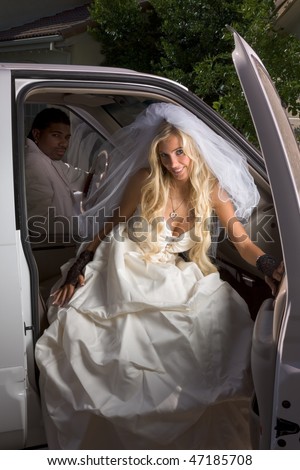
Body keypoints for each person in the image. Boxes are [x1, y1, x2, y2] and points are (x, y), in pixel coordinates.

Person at [35, 103, 283, 450]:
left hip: (173, 270)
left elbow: (241, 240)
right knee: (99, 345)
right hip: (125, 262)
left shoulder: (211, 188)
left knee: (218, 320)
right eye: (165, 155)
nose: (173, 163)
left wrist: (270, 265)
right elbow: (116, 222)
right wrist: (84, 260)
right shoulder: (146, 179)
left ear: (195, 149)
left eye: (180, 152)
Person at [25, 108, 88, 240]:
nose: (64, 143)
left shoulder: (49, 160)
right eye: (56, 135)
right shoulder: (34, 163)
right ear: (37, 134)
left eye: (66, 137)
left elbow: (81, 178)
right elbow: (39, 224)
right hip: (52, 245)